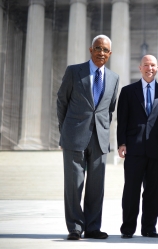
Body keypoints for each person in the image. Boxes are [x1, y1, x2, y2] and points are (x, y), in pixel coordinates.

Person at [57, 34, 119, 240]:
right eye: (98, 48)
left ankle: (93, 227)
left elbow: (109, 109)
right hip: (74, 134)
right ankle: (75, 227)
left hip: (99, 138)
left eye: (105, 50)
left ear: (110, 54)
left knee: (96, 186)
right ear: (90, 50)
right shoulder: (74, 71)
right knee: (74, 184)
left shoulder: (113, 78)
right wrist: (65, 129)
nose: (101, 53)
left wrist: (103, 129)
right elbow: (62, 101)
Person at [117, 55, 158, 239]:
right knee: (131, 191)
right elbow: (122, 121)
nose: (149, 68)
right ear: (140, 67)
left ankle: (149, 227)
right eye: (146, 65)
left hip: (156, 149)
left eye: (152, 65)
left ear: (157, 68)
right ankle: (128, 228)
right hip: (134, 149)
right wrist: (121, 143)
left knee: (154, 191)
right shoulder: (128, 92)